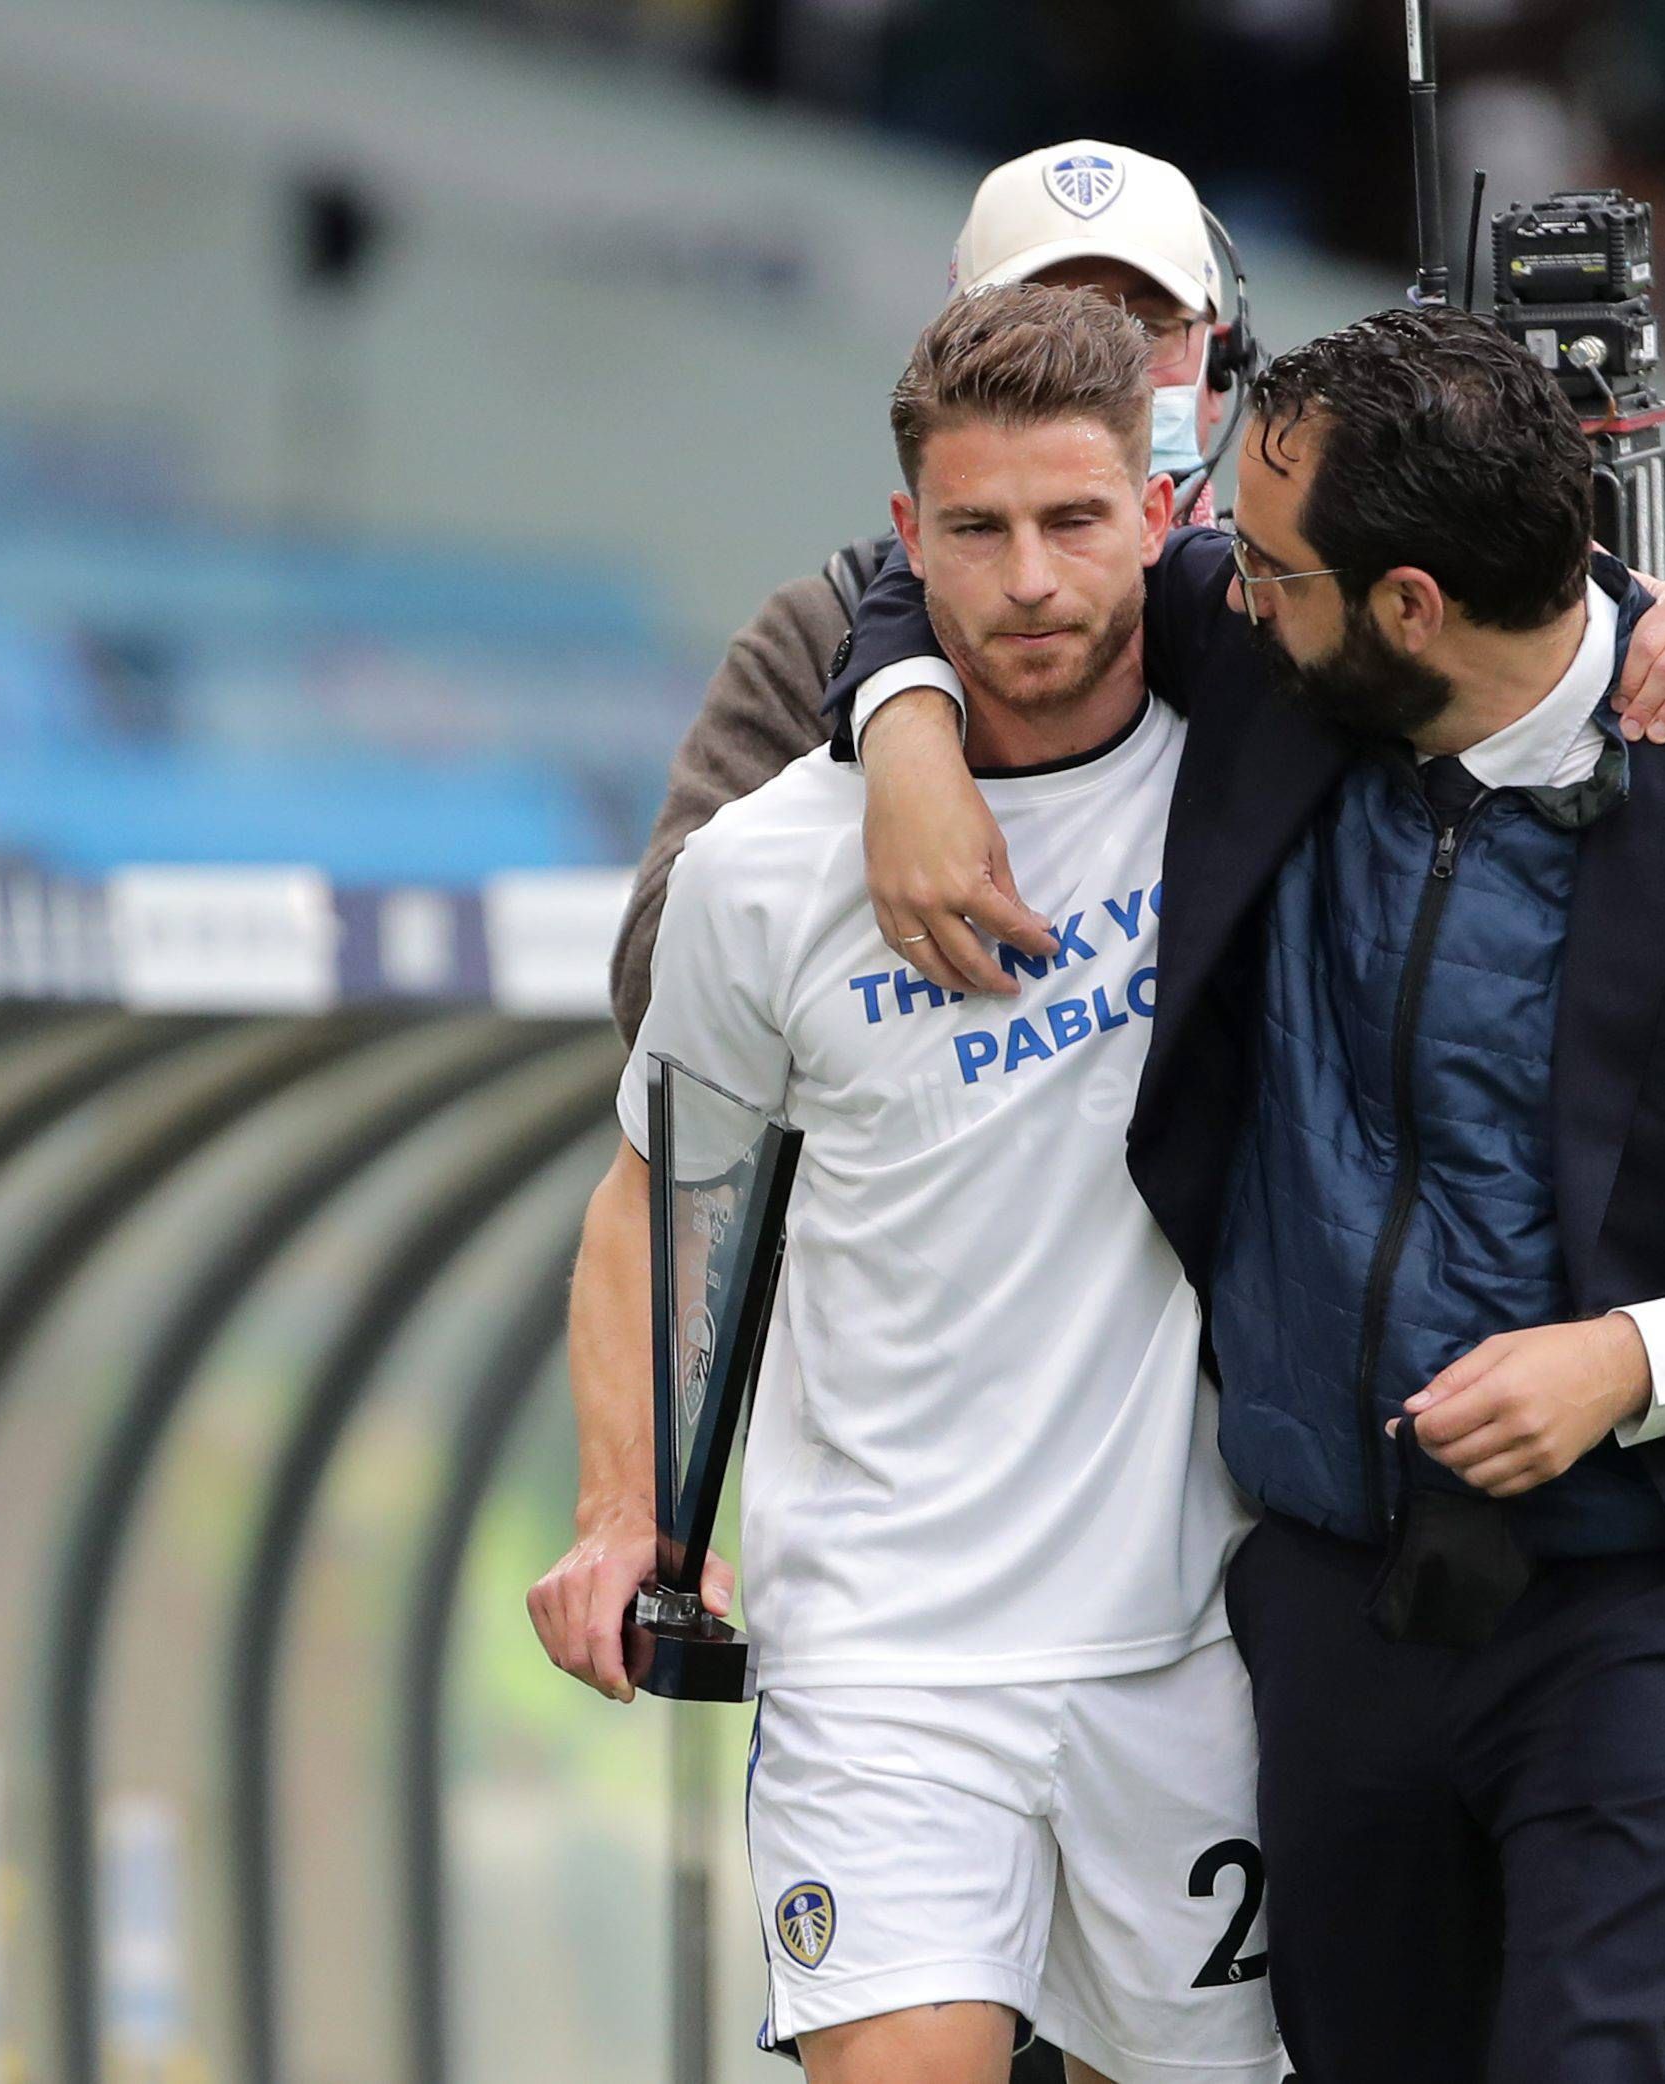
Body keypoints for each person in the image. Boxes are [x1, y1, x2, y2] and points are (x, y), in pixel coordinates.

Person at [837, 300, 1665, 2081]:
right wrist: (904, 723)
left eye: (1274, 568)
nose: (1221, 586)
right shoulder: (1279, 667)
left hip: (1645, 1606)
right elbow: (953, 550)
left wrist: (1628, 1356)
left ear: (1409, 608)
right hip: (1329, 1606)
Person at [535, 287, 1278, 2084]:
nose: (1028, 576)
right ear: (904, 540)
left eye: (1072, 520)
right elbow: (652, 1193)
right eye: (977, 527)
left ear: (1158, 513)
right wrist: (624, 1503)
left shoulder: (1255, 792)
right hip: (877, 1648)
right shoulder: (760, 874)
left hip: (1187, 1644)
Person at [608, 135, 1665, 1042]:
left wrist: (1663, 618)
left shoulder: (1311, 612)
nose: (1102, 361)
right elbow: (659, 982)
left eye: (1148, 324)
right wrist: (895, 755)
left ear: (1222, 366)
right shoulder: (820, 626)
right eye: (1046, 317)